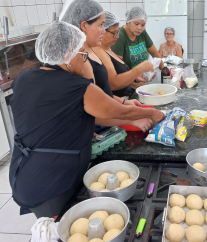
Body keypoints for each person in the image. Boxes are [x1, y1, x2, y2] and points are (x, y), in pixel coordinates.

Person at [9, 22, 165, 218]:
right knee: (61, 232)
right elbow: (119, 113)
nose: (84, 62)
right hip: (53, 180)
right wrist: (152, 113)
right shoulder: (77, 88)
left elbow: (56, 119)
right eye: (82, 55)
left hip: (23, 172)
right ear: (67, 56)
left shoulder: (24, 79)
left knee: (51, 227)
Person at [61, 0, 143, 104]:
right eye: (100, 25)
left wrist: (124, 103)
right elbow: (93, 104)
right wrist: (127, 114)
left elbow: (102, 93)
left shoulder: (88, 51)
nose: (103, 31)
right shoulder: (77, 57)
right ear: (84, 25)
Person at [93, 11, 154, 97]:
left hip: (125, 98)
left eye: (118, 32)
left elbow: (119, 73)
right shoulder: (99, 51)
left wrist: (134, 83)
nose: (117, 37)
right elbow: (113, 83)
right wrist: (139, 69)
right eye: (114, 33)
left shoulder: (108, 49)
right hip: (116, 102)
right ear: (102, 30)